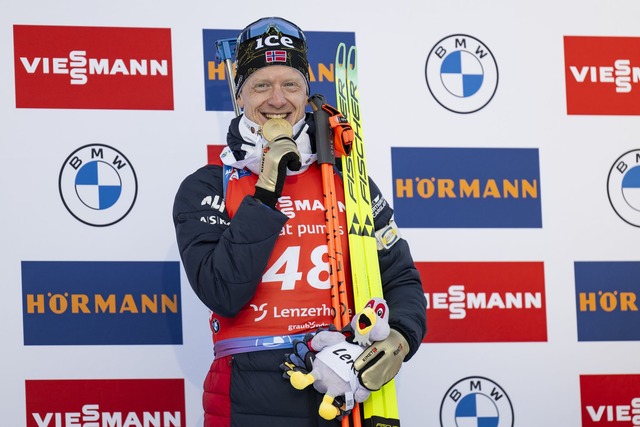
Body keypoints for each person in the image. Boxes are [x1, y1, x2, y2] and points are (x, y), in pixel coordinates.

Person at [173, 16, 426, 427]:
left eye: (290, 84)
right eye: (261, 85)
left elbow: (400, 278)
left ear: (306, 93)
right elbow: (224, 290)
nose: (277, 99)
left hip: (343, 390)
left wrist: (398, 339)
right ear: (241, 97)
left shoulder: (347, 180)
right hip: (246, 400)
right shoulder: (208, 185)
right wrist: (267, 187)